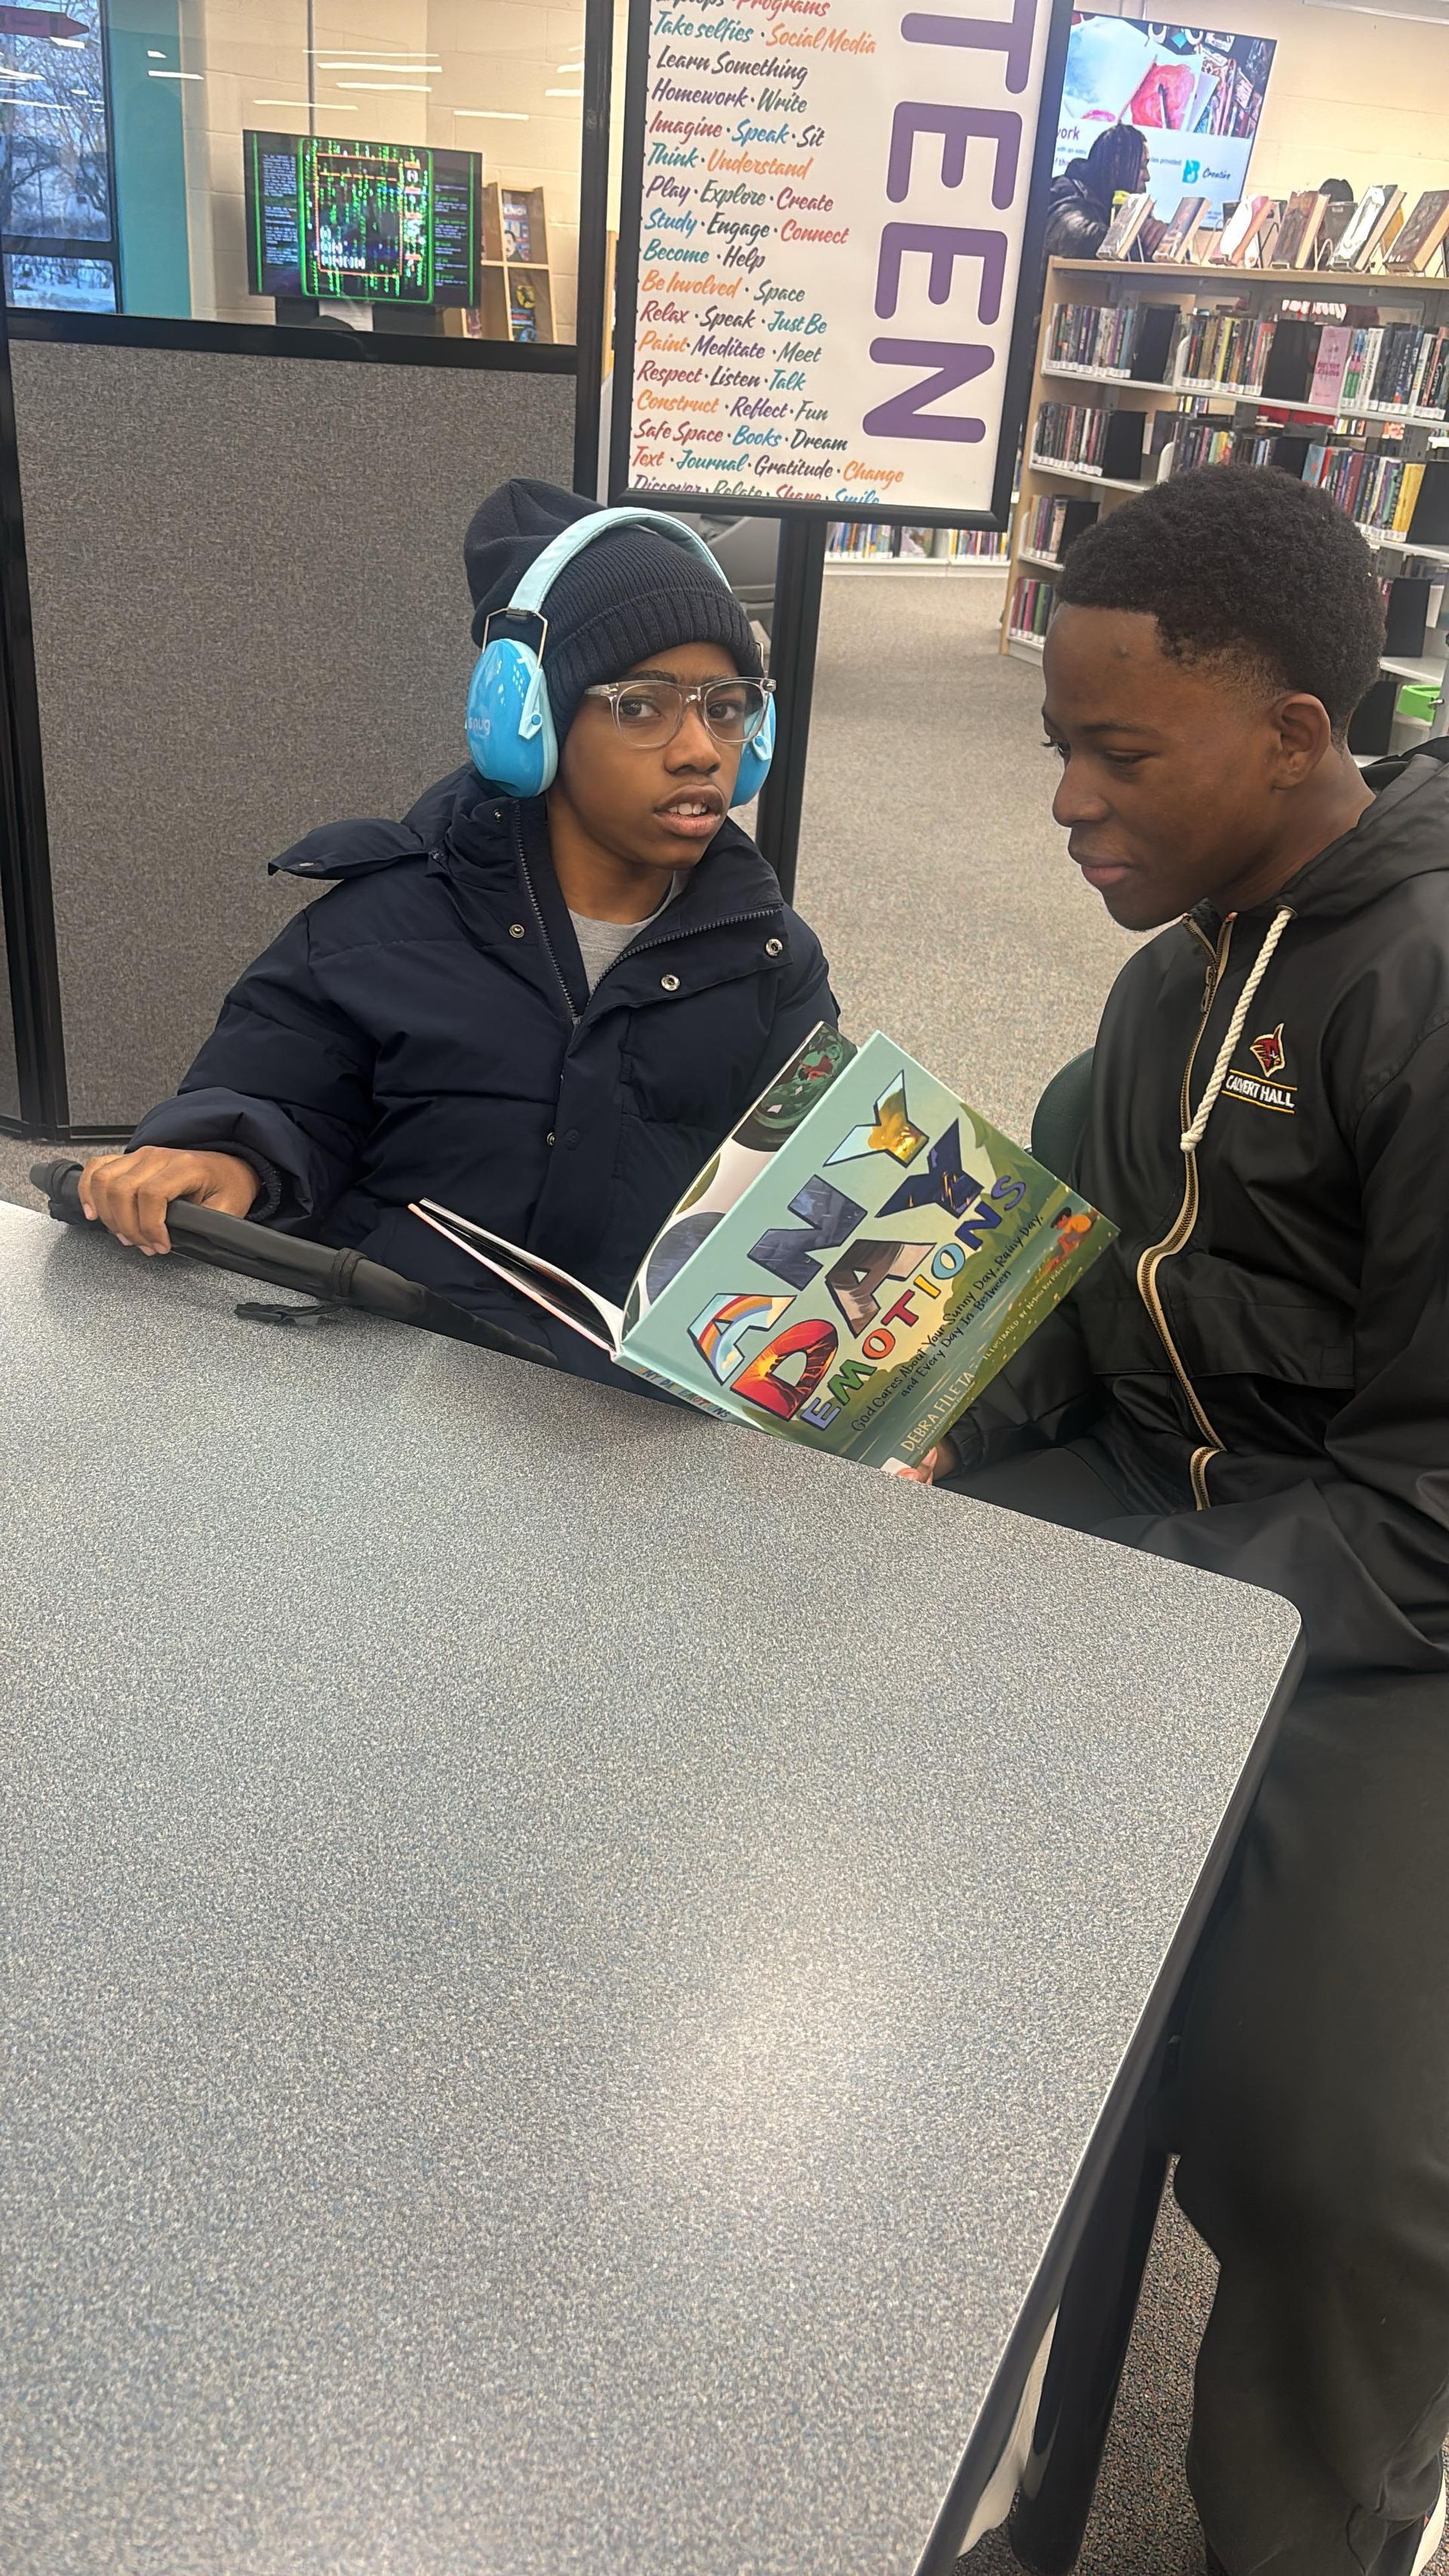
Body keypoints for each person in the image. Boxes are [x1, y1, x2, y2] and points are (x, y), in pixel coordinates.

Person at [915, 466, 1449, 2575]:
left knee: (1342, 2156)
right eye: (1059, 741)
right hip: (1167, 1505)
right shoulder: (1177, 966)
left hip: (1384, 1614)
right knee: (794, 1724)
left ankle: (1309, 2529)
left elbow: (1433, 1501)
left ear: (1296, 737)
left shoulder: (1420, 993)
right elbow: (1088, 1263)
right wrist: (951, 1408)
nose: (1062, 797)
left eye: (1112, 748)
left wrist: (1131, 1600)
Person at [79, 481, 833, 1382]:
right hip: (396, 1383)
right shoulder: (377, 925)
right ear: (534, 722)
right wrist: (228, 1161)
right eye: (641, 705)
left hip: (628, 1421)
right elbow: (283, 1098)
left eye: (726, 705)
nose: (700, 748)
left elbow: (809, 1201)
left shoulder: (770, 957)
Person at [1042, 123, 1149, 261]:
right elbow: (1078, 236)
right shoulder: (1067, 192)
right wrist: (1143, 243)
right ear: (1116, 165)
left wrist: (1157, 237)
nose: (1147, 176)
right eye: (1141, 167)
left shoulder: (1108, 204)